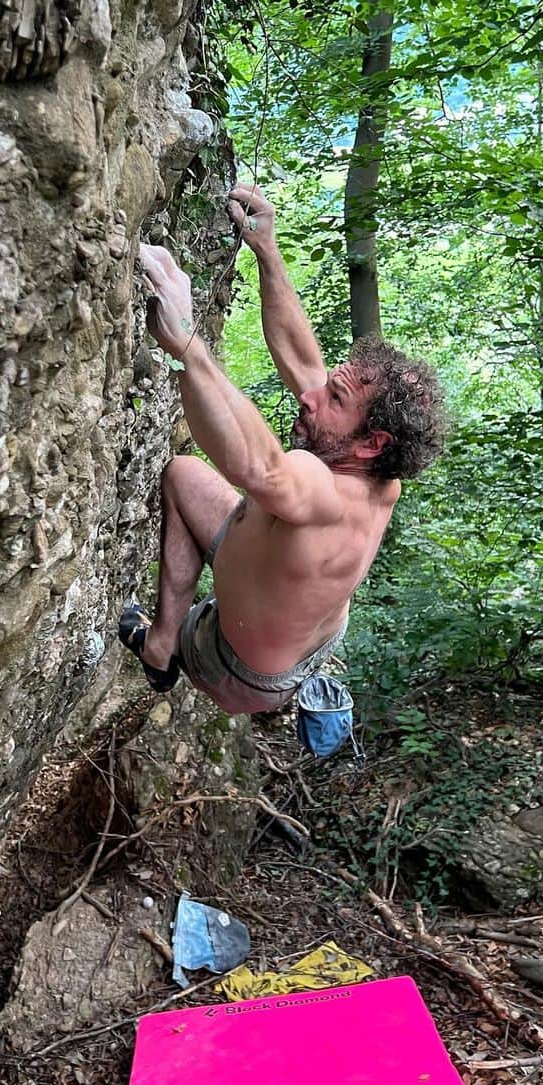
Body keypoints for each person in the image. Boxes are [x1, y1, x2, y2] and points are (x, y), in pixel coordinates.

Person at [120, 183, 446, 715]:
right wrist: (267, 252)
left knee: (223, 489)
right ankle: (173, 631)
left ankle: (164, 648)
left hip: (235, 668)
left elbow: (262, 469)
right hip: (296, 642)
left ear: (372, 443)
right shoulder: (379, 471)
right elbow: (306, 365)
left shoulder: (327, 492)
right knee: (182, 474)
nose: (310, 395)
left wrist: (186, 344)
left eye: (334, 398)